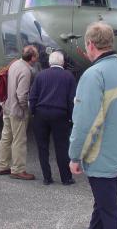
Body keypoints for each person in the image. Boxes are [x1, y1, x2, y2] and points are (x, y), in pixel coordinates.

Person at [69, 22, 117, 229]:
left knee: (109, 213)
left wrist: (75, 156)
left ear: (91, 45)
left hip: (101, 159)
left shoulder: (94, 75)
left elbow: (85, 123)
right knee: (103, 207)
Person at [29, 51, 76, 185]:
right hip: (60, 114)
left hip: (41, 113)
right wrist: (71, 118)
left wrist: (33, 112)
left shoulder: (40, 75)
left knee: (42, 147)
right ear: (62, 63)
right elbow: (71, 100)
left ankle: (47, 177)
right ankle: (66, 178)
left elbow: (33, 96)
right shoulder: (69, 76)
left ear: (49, 62)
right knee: (62, 147)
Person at [0, 45, 39, 180]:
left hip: (7, 106)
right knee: (19, 140)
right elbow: (22, 95)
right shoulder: (26, 71)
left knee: (6, 137)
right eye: (36, 56)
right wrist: (26, 109)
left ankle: (2, 165)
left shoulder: (14, 64)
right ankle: (18, 169)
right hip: (17, 110)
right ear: (32, 57)